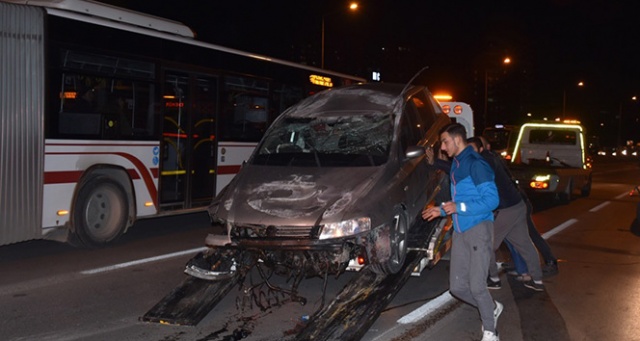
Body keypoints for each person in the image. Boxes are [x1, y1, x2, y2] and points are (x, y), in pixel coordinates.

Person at [422, 123, 502, 341]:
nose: (444, 148)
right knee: (457, 288)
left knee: (477, 286)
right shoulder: (457, 163)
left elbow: (492, 200)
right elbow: (461, 199)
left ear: (458, 139)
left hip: (478, 228)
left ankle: (490, 331)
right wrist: (441, 209)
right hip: (460, 229)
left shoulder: (477, 164)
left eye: (445, 142)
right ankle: (491, 307)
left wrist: (459, 208)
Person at [467, 136, 545, 292]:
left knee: (486, 244)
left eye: (472, 149)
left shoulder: (483, 163)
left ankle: (493, 279)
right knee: (524, 244)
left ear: (481, 149)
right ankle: (537, 280)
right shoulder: (491, 158)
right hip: (517, 205)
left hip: (507, 209)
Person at [478, 135, 559, 278]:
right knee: (512, 237)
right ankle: (522, 266)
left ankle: (550, 261)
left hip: (518, 203)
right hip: (515, 202)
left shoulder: (490, 159)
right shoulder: (492, 158)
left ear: (487, 147)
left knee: (530, 234)